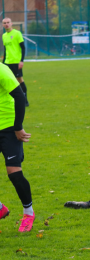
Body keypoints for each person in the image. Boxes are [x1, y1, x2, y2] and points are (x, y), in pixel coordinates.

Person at [0, 63, 35, 232]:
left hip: (8, 128)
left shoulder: (1, 70)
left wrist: (18, 127)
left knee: (14, 173)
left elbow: (20, 97)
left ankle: (28, 213)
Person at [2, 17, 29, 107]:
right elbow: (5, 50)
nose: (6, 24)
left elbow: (23, 47)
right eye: (4, 23)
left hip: (16, 62)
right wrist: (3, 63)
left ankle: (25, 100)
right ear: (2, 25)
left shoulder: (17, 33)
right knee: (8, 81)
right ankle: (10, 100)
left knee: (19, 80)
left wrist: (21, 61)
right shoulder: (4, 36)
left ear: (11, 23)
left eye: (8, 22)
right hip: (7, 62)